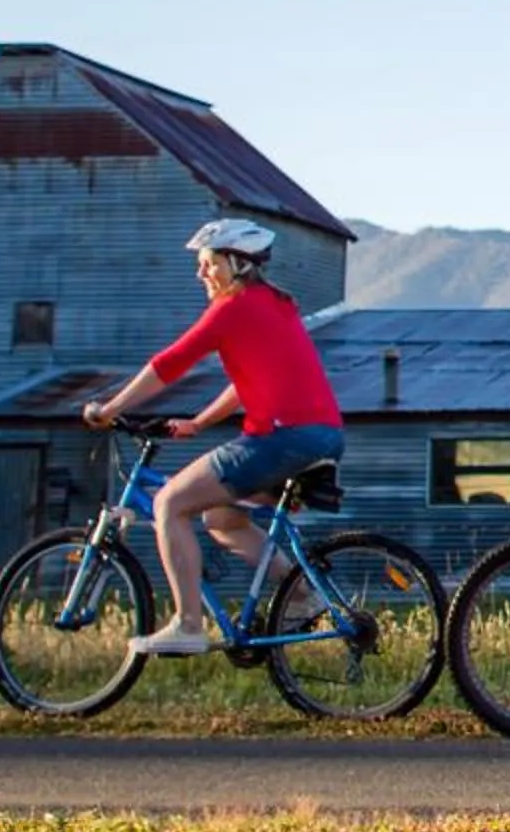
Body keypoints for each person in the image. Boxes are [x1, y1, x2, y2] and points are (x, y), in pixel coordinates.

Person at [82, 217, 345, 657]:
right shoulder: (274, 304)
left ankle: (187, 625)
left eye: (208, 263)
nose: (201, 273)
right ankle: (302, 593)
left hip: (282, 437)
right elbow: (252, 382)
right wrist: (200, 422)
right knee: (222, 520)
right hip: (320, 434)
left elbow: (171, 363)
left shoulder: (233, 308)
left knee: (169, 503)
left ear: (237, 264)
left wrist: (109, 410)